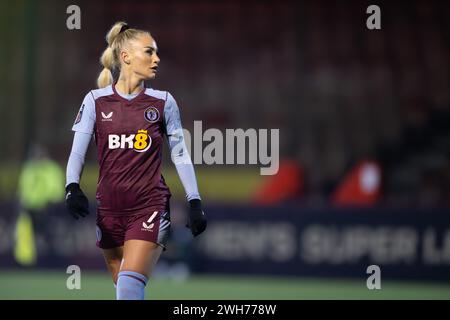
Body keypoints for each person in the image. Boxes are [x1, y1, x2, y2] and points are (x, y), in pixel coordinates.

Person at [64, 21, 207, 300]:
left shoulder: (163, 102)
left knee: (129, 286)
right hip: (109, 212)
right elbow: (78, 153)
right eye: (149, 52)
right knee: (124, 290)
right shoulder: (95, 101)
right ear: (126, 57)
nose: (157, 59)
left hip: (149, 207)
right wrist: (72, 187)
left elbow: (180, 153)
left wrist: (194, 200)